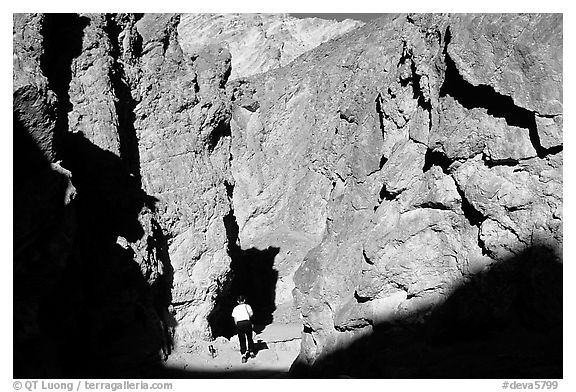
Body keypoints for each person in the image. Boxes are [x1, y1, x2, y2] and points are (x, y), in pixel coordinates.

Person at [232, 295, 255, 363]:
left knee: (242, 339)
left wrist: (238, 325)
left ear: (237, 301)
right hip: (247, 322)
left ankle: (243, 355)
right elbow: (251, 314)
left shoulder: (235, 308)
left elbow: (235, 319)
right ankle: (251, 352)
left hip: (239, 324)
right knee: (249, 337)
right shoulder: (247, 306)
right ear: (244, 300)